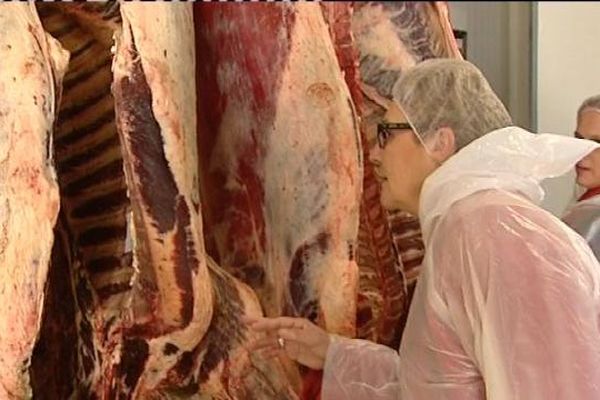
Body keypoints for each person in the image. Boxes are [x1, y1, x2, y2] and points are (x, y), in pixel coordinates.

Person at [244, 59, 600, 399]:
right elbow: (433, 384)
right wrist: (330, 354)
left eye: (386, 133)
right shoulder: (467, 228)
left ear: (439, 142)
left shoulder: (499, 234)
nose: (375, 154)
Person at [563, 95, 600, 259]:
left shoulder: (594, 218)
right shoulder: (585, 204)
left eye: (598, 144)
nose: (582, 152)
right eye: (578, 139)